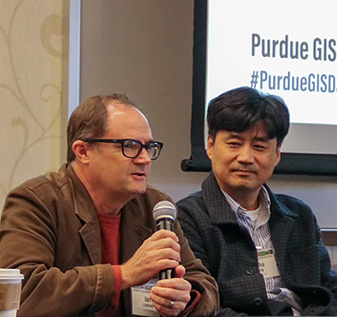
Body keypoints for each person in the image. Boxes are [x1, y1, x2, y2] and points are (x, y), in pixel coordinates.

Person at [0, 94, 219, 317]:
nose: (144, 158)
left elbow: (205, 284)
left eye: (149, 147)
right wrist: (123, 275)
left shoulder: (154, 205)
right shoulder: (37, 201)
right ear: (83, 151)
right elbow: (19, 294)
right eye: (130, 146)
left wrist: (186, 297)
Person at [177, 87, 337, 316]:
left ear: (277, 154)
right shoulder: (188, 218)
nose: (246, 158)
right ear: (210, 146)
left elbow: (334, 294)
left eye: (259, 147)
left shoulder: (299, 215)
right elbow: (202, 309)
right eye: (234, 144)